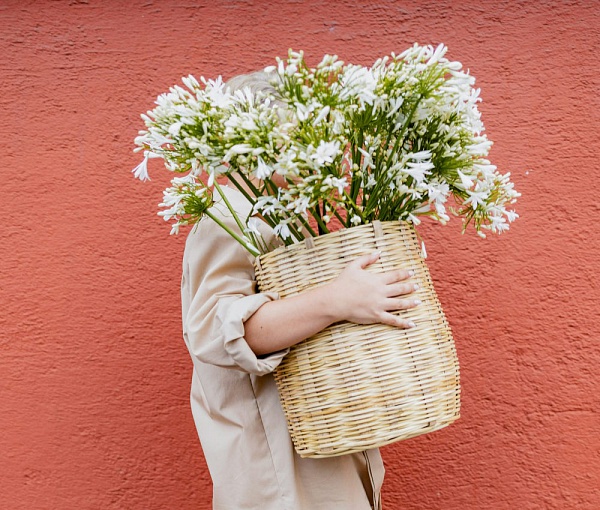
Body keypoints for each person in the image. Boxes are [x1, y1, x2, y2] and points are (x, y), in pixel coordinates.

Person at [180, 70, 420, 510]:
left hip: (312, 461)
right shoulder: (234, 215)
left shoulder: (277, 220)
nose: (316, 154)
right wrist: (336, 300)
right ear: (254, 144)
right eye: (302, 138)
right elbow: (215, 333)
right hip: (279, 482)